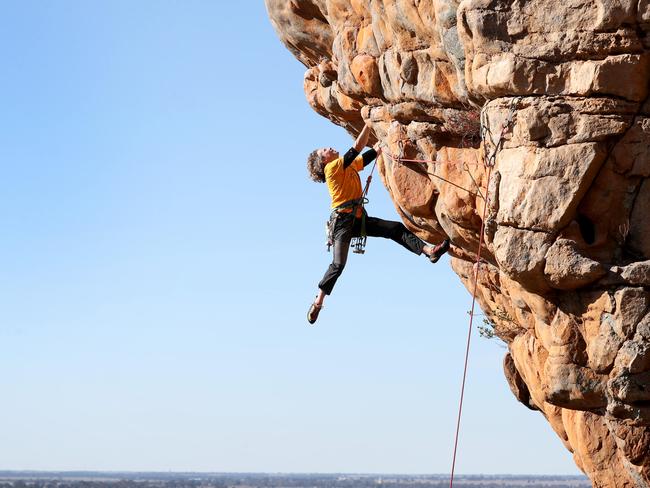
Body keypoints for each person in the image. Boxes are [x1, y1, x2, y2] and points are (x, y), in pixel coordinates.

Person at [306, 122, 450, 324]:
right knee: (338, 264)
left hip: (356, 219)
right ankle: (318, 302)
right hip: (342, 222)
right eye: (325, 150)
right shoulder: (331, 168)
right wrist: (368, 123)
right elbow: (356, 147)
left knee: (395, 229)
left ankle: (429, 252)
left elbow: (363, 158)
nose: (329, 148)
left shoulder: (344, 167)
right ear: (323, 161)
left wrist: (379, 147)